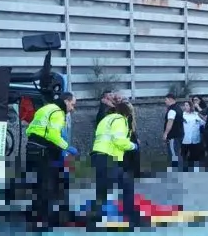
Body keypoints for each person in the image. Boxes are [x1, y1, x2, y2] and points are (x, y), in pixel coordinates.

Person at [24, 92, 78, 229]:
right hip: (43, 152)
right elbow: (53, 135)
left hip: (32, 149)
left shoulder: (45, 108)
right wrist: (67, 147)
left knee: (37, 186)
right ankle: (42, 222)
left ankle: (34, 219)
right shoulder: (58, 112)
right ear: (66, 101)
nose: (72, 108)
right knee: (46, 187)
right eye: (72, 104)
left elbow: (29, 129)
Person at [88, 101, 144, 229]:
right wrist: (133, 146)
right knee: (127, 186)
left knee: (102, 189)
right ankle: (130, 218)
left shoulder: (106, 119)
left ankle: (95, 220)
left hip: (97, 156)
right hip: (109, 157)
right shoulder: (120, 119)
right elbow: (119, 140)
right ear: (126, 113)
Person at [181, 101, 205, 171]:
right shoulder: (182, 115)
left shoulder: (196, 114)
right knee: (184, 155)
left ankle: (194, 169)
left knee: (194, 156)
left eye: (187, 105)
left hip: (195, 139)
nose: (185, 107)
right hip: (185, 139)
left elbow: (204, 122)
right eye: (185, 105)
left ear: (191, 106)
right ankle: (185, 170)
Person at [163, 93, 184, 171]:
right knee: (177, 153)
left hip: (173, 136)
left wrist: (165, 134)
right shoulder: (178, 108)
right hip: (179, 135)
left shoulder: (172, 110)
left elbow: (170, 122)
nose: (165, 101)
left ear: (170, 99)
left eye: (166, 100)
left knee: (174, 154)